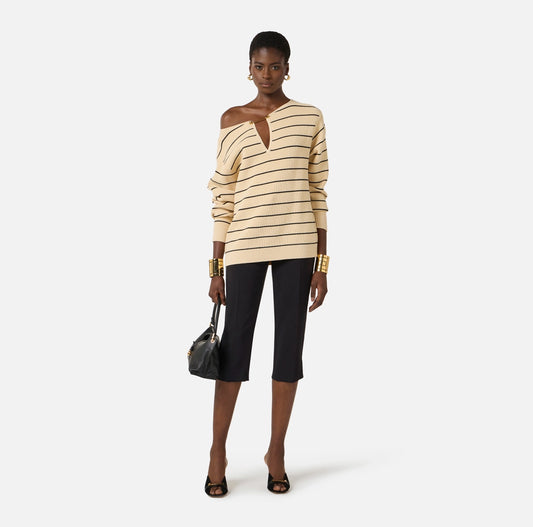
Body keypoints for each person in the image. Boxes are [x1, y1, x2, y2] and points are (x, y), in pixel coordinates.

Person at [205, 30, 330, 497]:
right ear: (249, 68)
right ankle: (217, 452)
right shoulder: (231, 120)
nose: (267, 74)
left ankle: (276, 451)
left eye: (275, 66)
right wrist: (215, 268)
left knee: (288, 351)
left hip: (298, 246)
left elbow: (318, 191)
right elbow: (223, 197)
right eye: (259, 66)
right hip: (243, 249)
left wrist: (322, 264)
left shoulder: (310, 117)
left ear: (287, 68)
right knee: (233, 352)